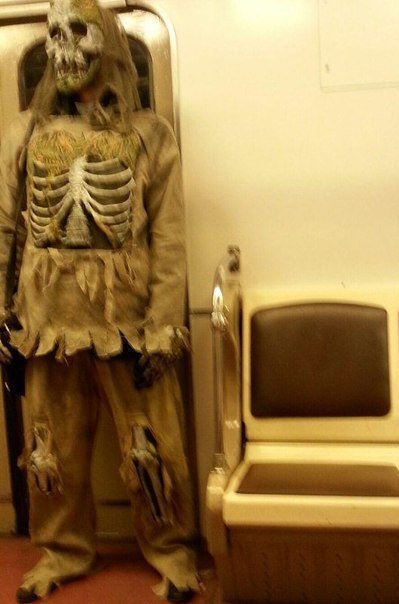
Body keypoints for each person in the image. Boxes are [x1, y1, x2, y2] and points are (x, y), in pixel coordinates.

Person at [0, 0, 199, 601]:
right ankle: (62, 551)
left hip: (127, 322)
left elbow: (169, 238)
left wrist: (164, 326)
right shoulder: (25, 133)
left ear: (108, 43)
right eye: (54, 33)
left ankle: (171, 550)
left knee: (152, 447)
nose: (63, 46)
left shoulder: (149, 135)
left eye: (78, 32)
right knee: (50, 451)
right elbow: (6, 227)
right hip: (46, 323)